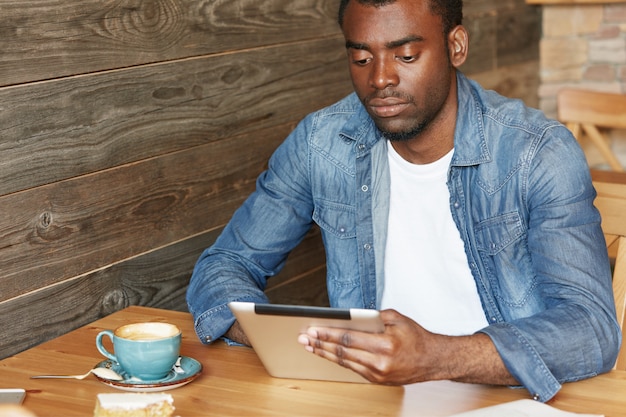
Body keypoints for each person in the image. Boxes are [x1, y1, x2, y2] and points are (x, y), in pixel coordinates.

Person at [186, 0, 620, 402]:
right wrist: (291, 338)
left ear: (456, 46)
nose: (380, 79)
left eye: (406, 56)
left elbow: (590, 328)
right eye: (360, 58)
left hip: (508, 400)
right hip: (373, 402)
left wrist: (437, 357)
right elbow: (224, 265)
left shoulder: (536, 153)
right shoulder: (321, 143)